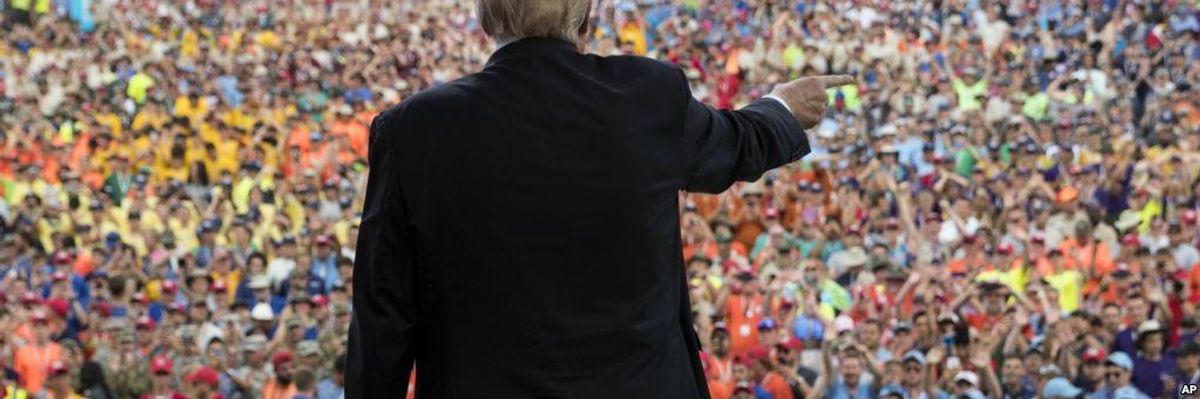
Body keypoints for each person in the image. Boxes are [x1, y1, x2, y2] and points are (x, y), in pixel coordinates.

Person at [344, 0, 850, 397]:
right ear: (586, 15)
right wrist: (784, 107)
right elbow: (735, 144)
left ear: (485, 20)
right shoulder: (647, 96)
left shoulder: (414, 131)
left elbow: (382, 321)